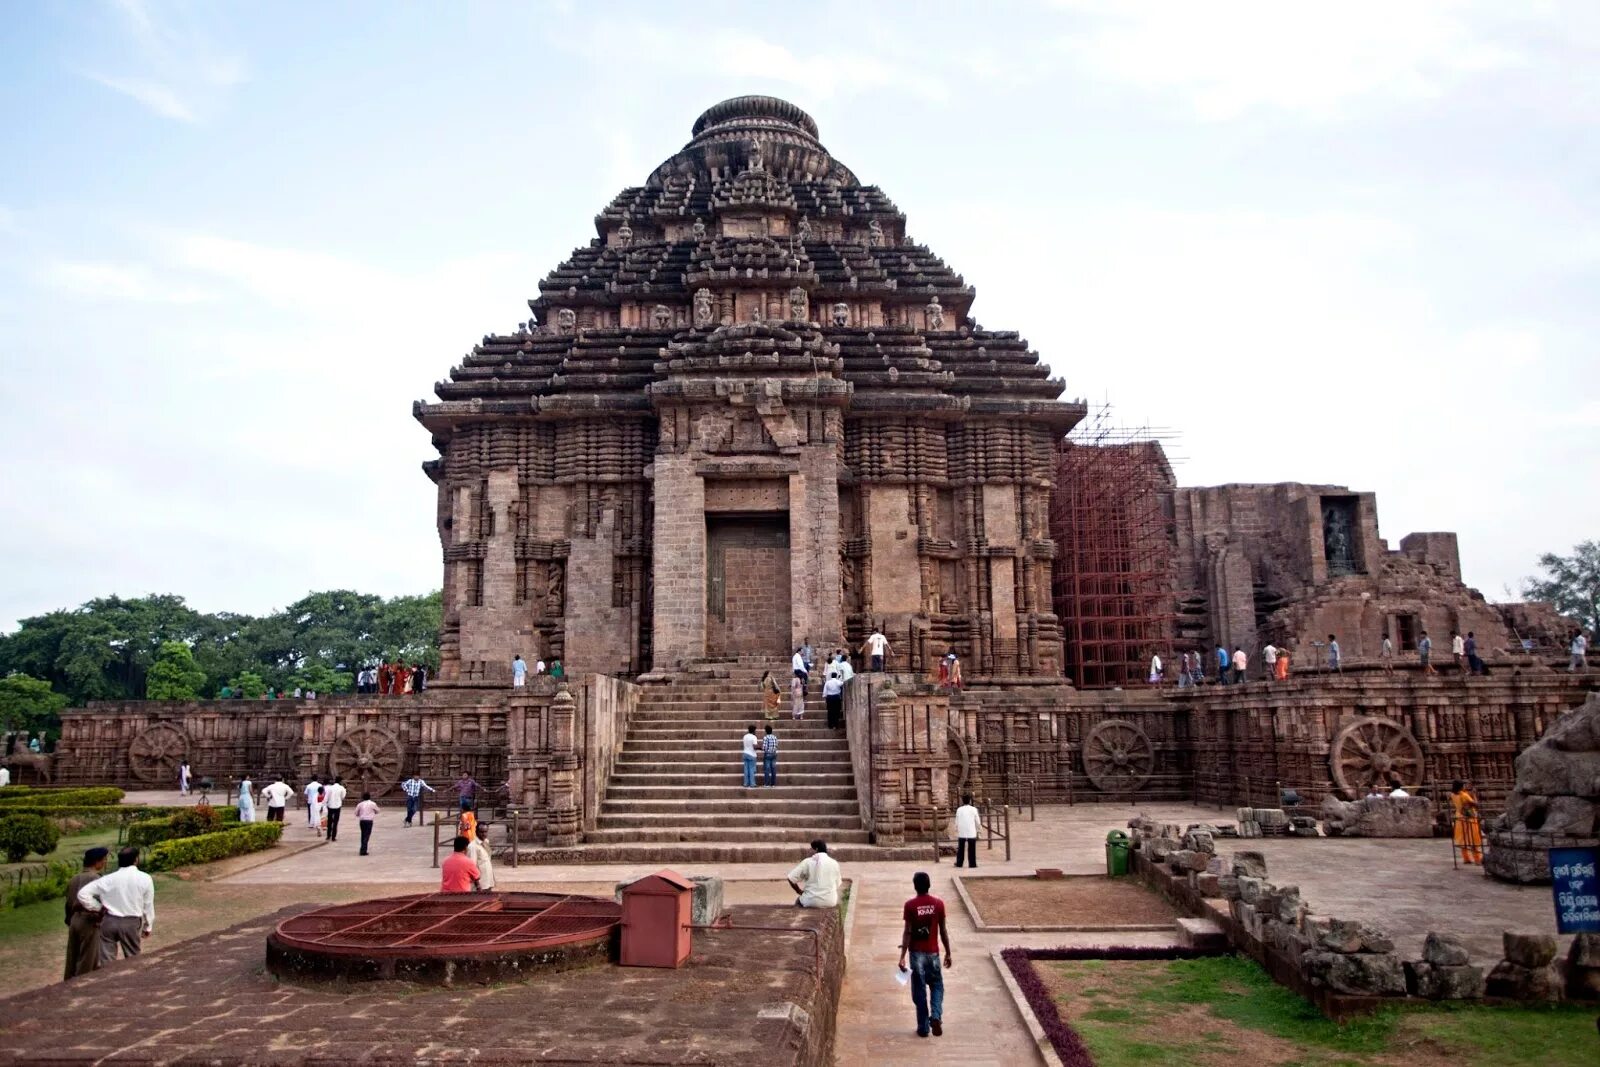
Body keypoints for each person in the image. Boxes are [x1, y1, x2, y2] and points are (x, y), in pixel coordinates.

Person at [898, 870, 952, 1039]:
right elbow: (943, 931)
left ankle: (923, 1028)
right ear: (929, 885)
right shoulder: (938, 904)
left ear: (915, 886)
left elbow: (908, 932)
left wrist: (902, 955)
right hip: (933, 953)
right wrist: (948, 953)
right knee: (937, 985)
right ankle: (935, 1016)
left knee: (919, 991)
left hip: (916, 955)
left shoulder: (910, 905)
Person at [78, 847, 155, 964]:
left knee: (106, 961)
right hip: (131, 922)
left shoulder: (108, 879)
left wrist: (98, 907)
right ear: (136, 860)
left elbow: (83, 894)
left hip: (109, 921)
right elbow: (148, 905)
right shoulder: (145, 878)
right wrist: (148, 926)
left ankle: (108, 981)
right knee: (133, 959)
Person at [64, 847, 109, 980]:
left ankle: (67, 983)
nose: (105, 862)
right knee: (87, 958)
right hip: (89, 920)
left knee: (72, 956)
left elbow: (68, 903)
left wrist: (69, 920)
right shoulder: (96, 878)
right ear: (97, 862)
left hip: (74, 920)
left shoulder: (74, 878)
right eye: (104, 860)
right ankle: (81, 985)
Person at [787, 839, 841, 908]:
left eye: (811, 848)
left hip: (810, 900)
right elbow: (837, 884)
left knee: (798, 901)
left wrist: (799, 891)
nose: (809, 850)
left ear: (816, 849)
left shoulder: (807, 861)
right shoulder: (834, 863)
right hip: (830, 901)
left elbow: (790, 878)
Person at [1448, 779, 1483, 864]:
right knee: (1473, 837)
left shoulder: (1452, 794)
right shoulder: (1464, 795)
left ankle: (1466, 858)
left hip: (1459, 817)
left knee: (1464, 838)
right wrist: (1474, 795)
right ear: (1461, 786)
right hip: (1469, 817)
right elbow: (1475, 804)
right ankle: (1477, 859)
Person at [953, 794, 979, 869]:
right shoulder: (974, 809)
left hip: (962, 831)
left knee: (961, 848)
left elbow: (956, 821)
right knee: (972, 848)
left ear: (962, 801)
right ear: (970, 801)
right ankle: (972, 863)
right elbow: (977, 821)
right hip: (971, 831)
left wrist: (956, 829)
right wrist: (978, 829)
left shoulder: (959, 809)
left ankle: (959, 863)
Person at [466, 825, 495, 890]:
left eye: (485, 832)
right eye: (481, 832)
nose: (484, 834)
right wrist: (477, 884)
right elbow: (472, 866)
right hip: (480, 884)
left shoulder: (486, 842)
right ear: (476, 832)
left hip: (487, 881)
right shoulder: (472, 846)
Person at [325, 776, 347, 842]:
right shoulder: (341, 788)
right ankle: (333, 837)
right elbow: (343, 797)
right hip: (337, 806)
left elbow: (327, 797)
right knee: (335, 822)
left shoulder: (330, 788)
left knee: (329, 821)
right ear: (340, 781)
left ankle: (328, 836)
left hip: (330, 805)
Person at [742, 724, 759, 788]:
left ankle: (746, 783)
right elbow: (754, 746)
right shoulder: (754, 737)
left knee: (746, 769)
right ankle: (752, 784)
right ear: (753, 730)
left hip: (745, 753)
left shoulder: (745, 736)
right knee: (752, 770)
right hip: (752, 754)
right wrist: (760, 748)